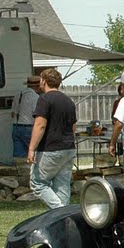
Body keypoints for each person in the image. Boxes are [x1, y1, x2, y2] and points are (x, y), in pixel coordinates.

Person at [28, 68, 78, 207]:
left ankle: (61, 211)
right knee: (62, 186)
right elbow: (73, 127)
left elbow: (40, 125)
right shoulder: (68, 101)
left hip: (50, 149)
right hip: (68, 148)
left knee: (38, 183)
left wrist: (31, 149)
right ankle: (63, 222)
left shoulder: (44, 99)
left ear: (43, 81)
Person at [11, 75, 40, 158]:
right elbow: (37, 115)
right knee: (35, 154)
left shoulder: (18, 95)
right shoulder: (36, 97)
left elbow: (12, 113)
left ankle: (20, 170)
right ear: (38, 86)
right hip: (29, 128)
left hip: (16, 127)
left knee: (19, 157)